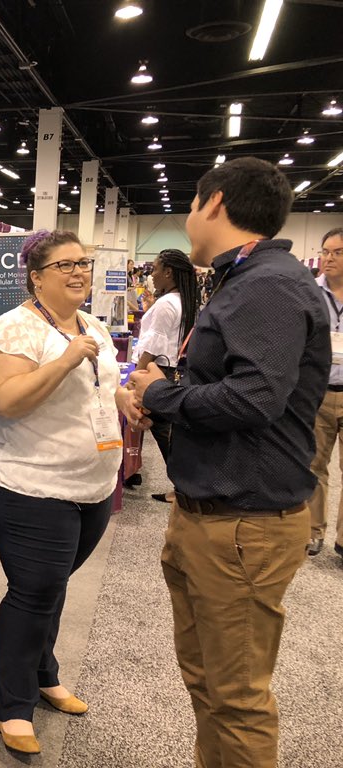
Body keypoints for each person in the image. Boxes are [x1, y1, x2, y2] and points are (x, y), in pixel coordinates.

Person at [121, 157, 328, 768]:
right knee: (208, 683)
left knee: (235, 699)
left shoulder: (268, 284)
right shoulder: (249, 280)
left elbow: (253, 398)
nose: (187, 220)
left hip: (244, 523)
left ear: (213, 203)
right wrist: (165, 395)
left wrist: (162, 394)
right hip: (215, 515)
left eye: (189, 206)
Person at [0, 230, 124, 756]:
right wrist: (64, 360)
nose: (80, 272)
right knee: (33, 591)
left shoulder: (93, 325)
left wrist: (132, 397)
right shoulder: (11, 330)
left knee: (51, 589)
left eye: (84, 262)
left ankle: (43, 675)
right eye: (65, 265)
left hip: (92, 485)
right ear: (36, 276)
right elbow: (5, 401)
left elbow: (102, 385)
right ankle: (11, 707)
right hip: (32, 486)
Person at [131, 249, 201, 503]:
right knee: (167, 431)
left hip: (158, 370)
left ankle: (184, 487)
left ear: (168, 272)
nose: (152, 275)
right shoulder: (183, 299)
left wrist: (136, 374)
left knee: (162, 431)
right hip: (171, 371)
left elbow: (153, 346)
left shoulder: (167, 304)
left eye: (156, 269)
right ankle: (183, 487)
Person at [307, 227, 343, 559]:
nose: (329, 258)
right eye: (326, 251)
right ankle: (313, 531)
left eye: (337, 252)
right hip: (318, 390)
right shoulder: (310, 292)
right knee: (314, 465)